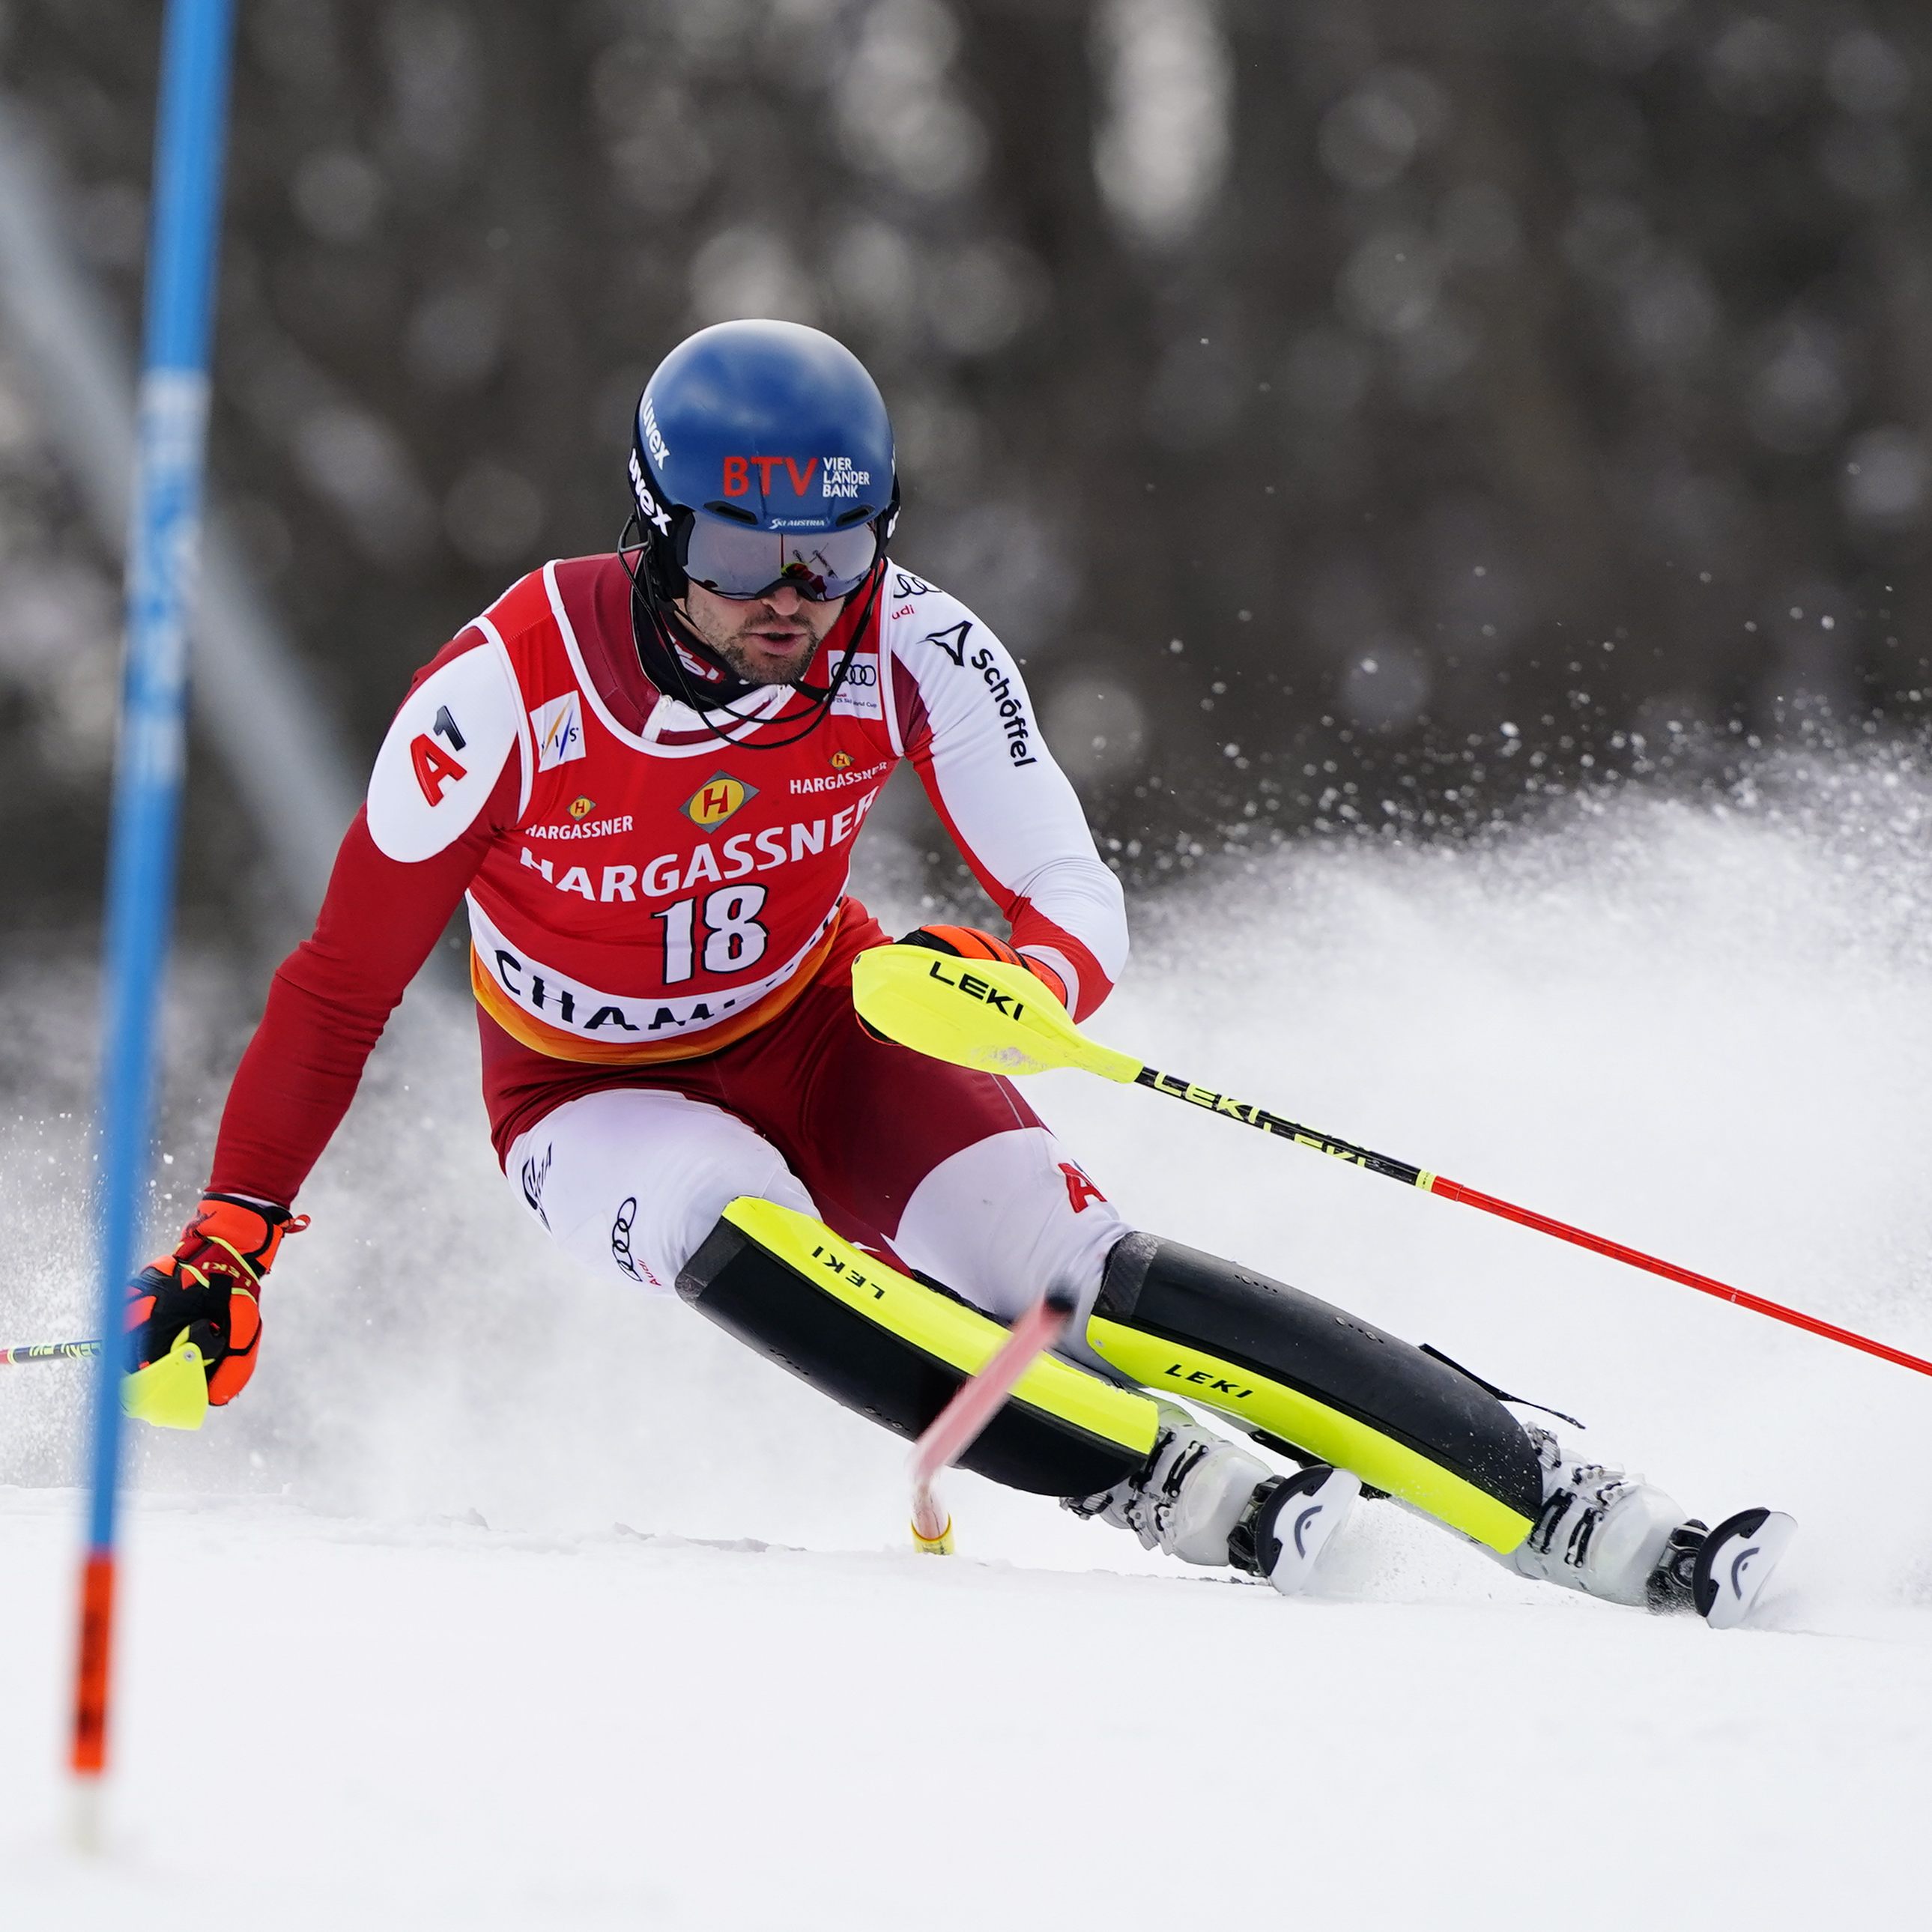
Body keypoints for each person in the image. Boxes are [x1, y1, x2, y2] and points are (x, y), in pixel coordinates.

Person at [127, 320, 1790, 1624]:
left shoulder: (912, 642)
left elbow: (1068, 884)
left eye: (832, 554)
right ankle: (1159, 1482)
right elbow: (338, 988)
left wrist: (1024, 973)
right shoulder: (504, 691)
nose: (790, 603)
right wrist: (234, 1235)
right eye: (736, 554)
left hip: (826, 1028)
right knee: (731, 1223)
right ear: (652, 533)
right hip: (585, 1092)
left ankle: (1552, 1490)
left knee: (1059, 1259)